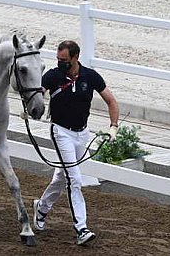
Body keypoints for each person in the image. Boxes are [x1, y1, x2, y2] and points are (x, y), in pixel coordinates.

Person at [33, 40, 119, 246]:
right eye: (57, 59)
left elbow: (111, 101)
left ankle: (42, 208)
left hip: (82, 134)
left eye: (63, 60)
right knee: (75, 179)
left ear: (75, 58)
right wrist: (30, 107)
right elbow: (37, 92)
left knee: (62, 177)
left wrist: (113, 126)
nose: (59, 63)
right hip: (61, 131)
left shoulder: (90, 76)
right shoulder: (53, 76)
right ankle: (81, 228)